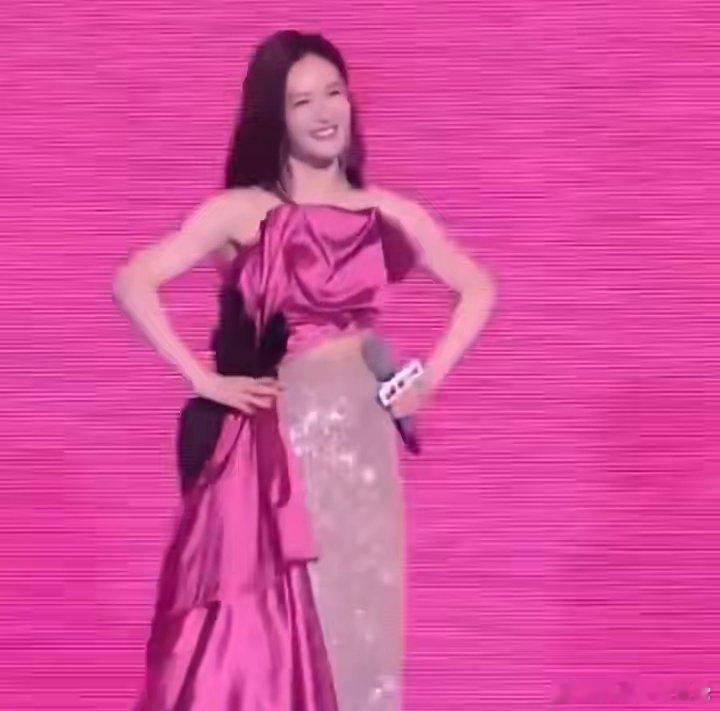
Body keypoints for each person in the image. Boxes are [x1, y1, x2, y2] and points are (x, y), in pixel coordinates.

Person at [113, 29, 495, 711]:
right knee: (277, 626)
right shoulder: (242, 211)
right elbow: (133, 280)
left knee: (362, 624)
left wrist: (427, 378)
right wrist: (202, 380)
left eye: (334, 93)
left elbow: (478, 286)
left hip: (363, 445)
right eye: (302, 101)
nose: (325, 112)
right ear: (276, 117)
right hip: (280, 443)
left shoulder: (386, 212)